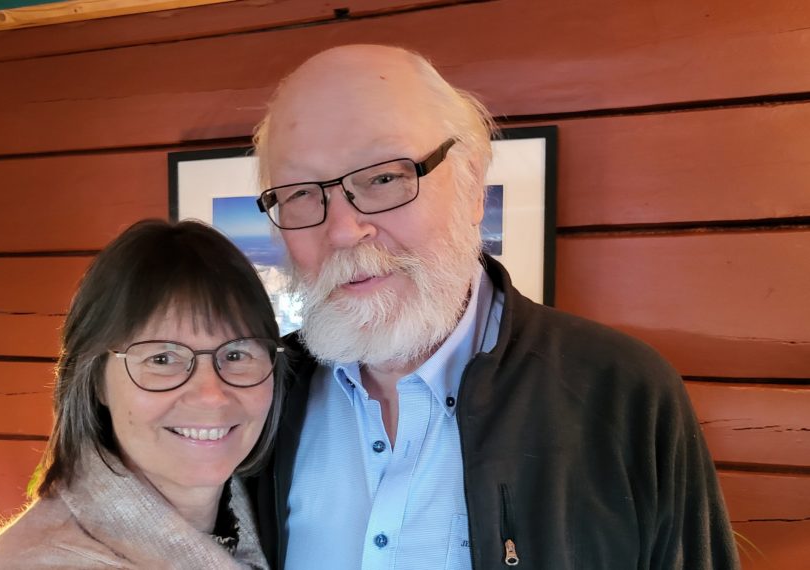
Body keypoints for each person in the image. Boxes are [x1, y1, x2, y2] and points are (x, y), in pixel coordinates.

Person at [249, 45, 739, 569]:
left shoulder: (622, 394)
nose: (343, 231)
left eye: (385, 177)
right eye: (300, 194)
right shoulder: (261, 398)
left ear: (473, 186)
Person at [0, 219, 283, 569]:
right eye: (162, 359)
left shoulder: (273, 523)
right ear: (96, 380)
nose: (211, 395)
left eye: (236, 355)